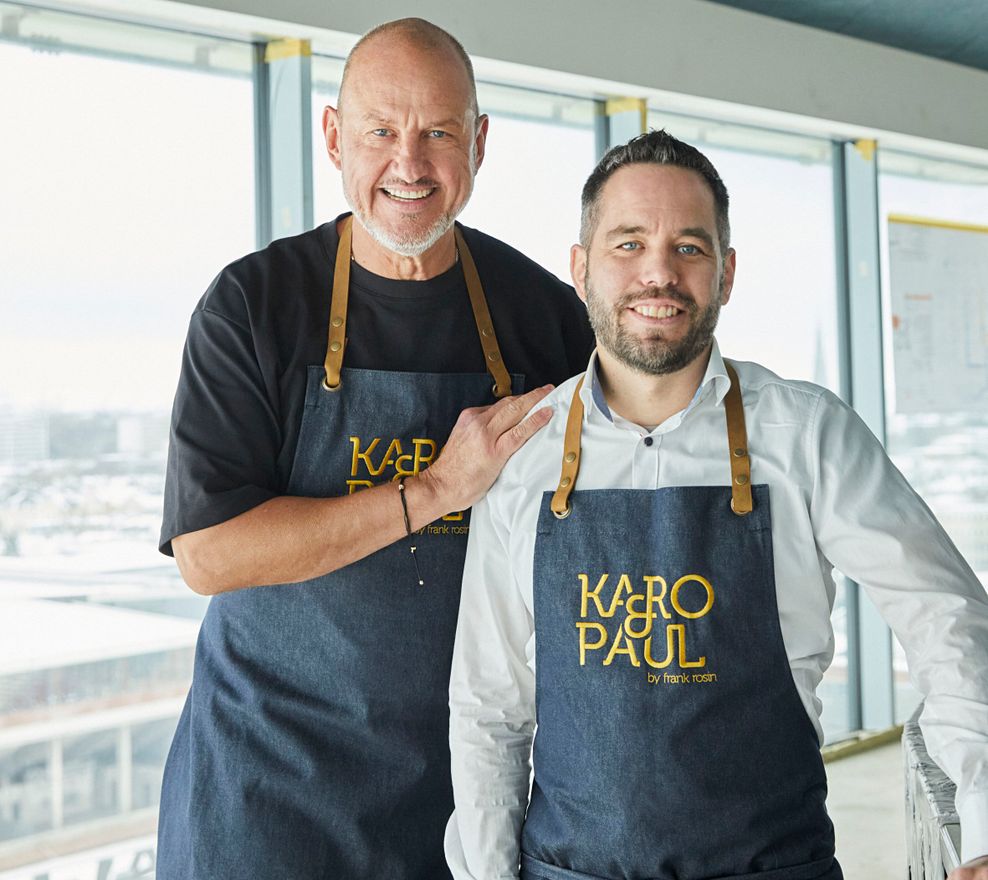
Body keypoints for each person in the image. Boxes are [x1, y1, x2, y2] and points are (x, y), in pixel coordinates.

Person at [446, 129, 988, 880]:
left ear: (727, 273)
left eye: (690, 248)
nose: (659, 273)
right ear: (581, 269)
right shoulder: (523, 456)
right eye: (628, 244)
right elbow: (487, 708)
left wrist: (983, 824)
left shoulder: (805, 432)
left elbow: (946, 616)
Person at [156, 17, 593, 880]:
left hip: (459, 793)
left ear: (479, 142)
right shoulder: (253, 306)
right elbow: (209, 554)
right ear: (332, 138)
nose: (410, 163)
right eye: (381, 131)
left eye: (438, 132)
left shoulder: (545, 319)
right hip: (264, 790)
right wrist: (434, 490)